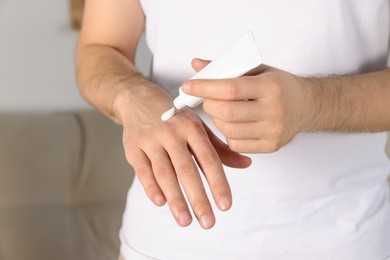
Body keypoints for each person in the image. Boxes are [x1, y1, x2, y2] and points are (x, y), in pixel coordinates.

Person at [76, 0, 390, 259]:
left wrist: (313, 103)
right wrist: (131, 95)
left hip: (344, 243)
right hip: (163, 244)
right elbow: (101, 46)